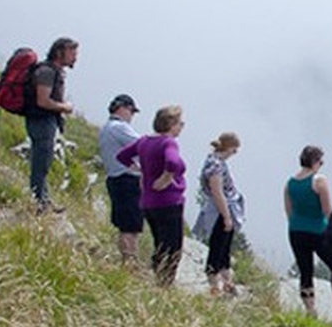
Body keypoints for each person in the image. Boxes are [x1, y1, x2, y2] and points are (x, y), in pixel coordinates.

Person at [116, 105, 188, 286]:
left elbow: (122, 156)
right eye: (180, 123)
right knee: (172, 247)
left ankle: (158, 279)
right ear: (171, 124)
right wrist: (166, 177)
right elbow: (172, 161)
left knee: (160, 243)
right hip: (169, 201)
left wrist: (141, 171)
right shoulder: (168, 142)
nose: (181, 127)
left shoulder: (144, 141)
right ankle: (164, 284)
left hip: (149, 202)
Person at [285, 145, 332, 320]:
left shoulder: (290, 183)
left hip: (296, 231)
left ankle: (310, 311)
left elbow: (289, 211)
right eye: (321, 161)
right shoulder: (319, 181)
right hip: (318, 231)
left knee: (305, 271)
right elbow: (327, 210)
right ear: (315, 161)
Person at [25, 37, 79, 211]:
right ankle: (39, 203)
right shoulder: (47, 72)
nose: (75, 57)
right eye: (72, 52)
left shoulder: (52, 71)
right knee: (41, 164)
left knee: (43, 162)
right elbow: (43, 101)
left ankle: (43, 200)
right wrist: (65, 107)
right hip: (41, 121)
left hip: (44, 121)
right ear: (59, 52)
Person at [193, 132, 245, 297]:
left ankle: (227, 283)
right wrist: (227, 216)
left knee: (224, 248)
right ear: (229, 147)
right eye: (234, 150)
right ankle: (214, 286)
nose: (234, 154)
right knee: (217, 247)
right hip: (220, 210)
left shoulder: (214, 160)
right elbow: (217, 192)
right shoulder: (216, 165)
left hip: (221, 208)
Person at [98, 93, 144, 266]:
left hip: (115, 178)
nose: (132, 116)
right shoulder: (119, 127)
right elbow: (141, 145)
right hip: (126, 179)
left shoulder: (106, 128)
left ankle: (129, 260)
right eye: (131, 111)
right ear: (122, 108)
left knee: (126, 224)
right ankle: (130, 261)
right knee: (130, 226)